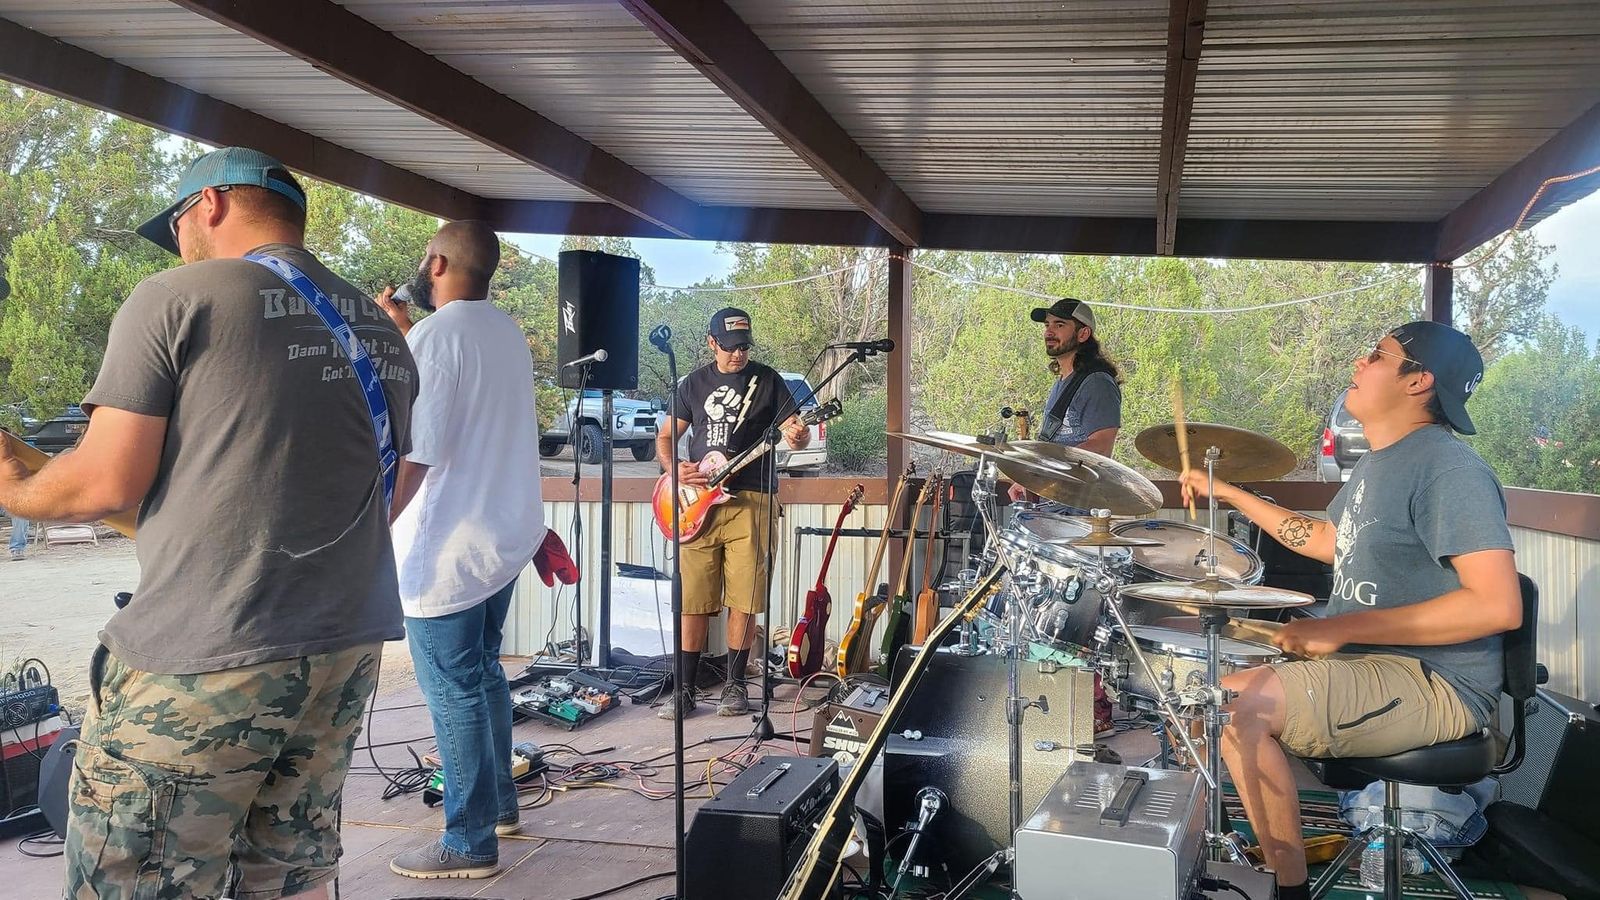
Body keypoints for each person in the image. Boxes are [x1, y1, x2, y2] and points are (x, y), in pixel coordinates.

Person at [0, 146, 417, 900]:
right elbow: (370, 495)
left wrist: (17, 488)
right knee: (285, 875)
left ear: (212, 203)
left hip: (211, 652)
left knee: (136, 878)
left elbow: (101, 481)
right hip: (344, 649)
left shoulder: (179, 296)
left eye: (177, 225)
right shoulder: (381, 330)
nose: (179, 245)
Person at [1178, 321, 1520, 900]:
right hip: (1373, 663)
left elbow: (1497, 604)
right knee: (1193, 697)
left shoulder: (1448, 469)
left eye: (1377, 355)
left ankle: (1287, 891)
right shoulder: (1379, 462)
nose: (1359, 364)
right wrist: (1233, 495)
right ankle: (1227, 858)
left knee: (1232, 708)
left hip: (1435, 680)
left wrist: (1341, 628)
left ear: (1419, 381)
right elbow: (1329, 540)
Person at [373, 221, 546, 880]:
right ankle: (499, 808)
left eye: (425, 257)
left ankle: (468, 842)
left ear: (438, 263)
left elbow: (418, 452)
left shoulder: (437, 337)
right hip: (499, 543)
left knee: (454, 692)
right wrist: (403, 334)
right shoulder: (503, 331)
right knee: (483, 674)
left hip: (446, 549)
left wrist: (375, 524)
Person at [655, 307, 810, 719]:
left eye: (744, 347)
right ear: (712, 343)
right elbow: (667, 437)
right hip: (698, 503)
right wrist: (674, 468)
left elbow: (795, 432)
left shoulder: (768, 381)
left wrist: (799, 435)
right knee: (693, 598)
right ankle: (684, 689)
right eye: (729, 347)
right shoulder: (693, 384)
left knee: (745, 595)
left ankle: (735, 684)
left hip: (752, 498)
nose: (738, 354)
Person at [1008, 297, 1122, 503]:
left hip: (1079, 505)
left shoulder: (1096, 383)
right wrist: (1029, 478)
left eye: (1059, 325)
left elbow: (1101, 447)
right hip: (1054, 501)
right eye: (1047, 325)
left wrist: (1043, 471)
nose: (1049, 332)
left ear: (1083, 334)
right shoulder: (1063, 382)